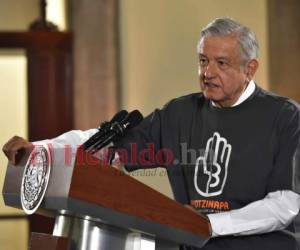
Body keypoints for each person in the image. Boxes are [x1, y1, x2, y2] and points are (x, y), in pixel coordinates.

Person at [3, 18, 300, 250]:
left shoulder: (284, 117)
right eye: (202, 61)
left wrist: (212, 223)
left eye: (221, 63)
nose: (207, 72)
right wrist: (40, 149)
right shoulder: (180, 113)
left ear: (250, 68)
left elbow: (286, 204)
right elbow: (106, 145)